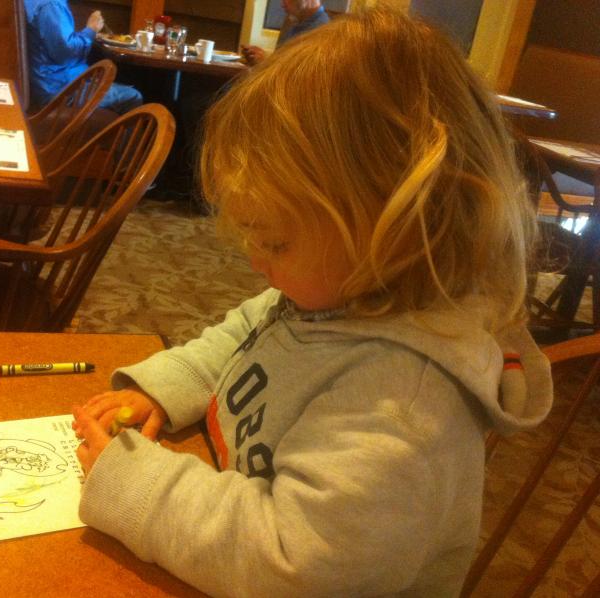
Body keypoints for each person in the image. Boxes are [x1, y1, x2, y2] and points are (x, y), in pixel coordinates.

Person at [71, 9, 553, 597]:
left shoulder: (404, 405)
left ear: (401, 229)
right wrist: (168, 386)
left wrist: (137, 486)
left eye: (275, 243)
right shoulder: (339, 294)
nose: (255, 261)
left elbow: (294, 563)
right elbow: (246, 331)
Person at [24, 0, 142, 113]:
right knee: (133, 96)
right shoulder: (52, 5)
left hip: (48, 84)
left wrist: (87, 33)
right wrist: (91, 29)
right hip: (60, 90)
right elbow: (66, 52)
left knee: (117, 84)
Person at [241, 0, 330, 65]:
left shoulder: (322, 32)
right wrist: (261, 56)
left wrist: (266, 63)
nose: (282, 4)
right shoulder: (293, 20)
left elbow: (298, 77)